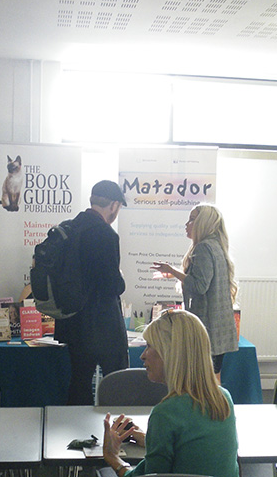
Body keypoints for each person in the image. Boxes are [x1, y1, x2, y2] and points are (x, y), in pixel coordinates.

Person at [103, 309, 239, 477]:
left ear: (169, 353)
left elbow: (152, 475)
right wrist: (150, 440)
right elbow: (197, 454)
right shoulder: (224, 399)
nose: (143, 356)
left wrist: (114, 458)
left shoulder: (165, 414)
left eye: (150, 346)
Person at [54, 180, 130, 405]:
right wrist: (121, 280)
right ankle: (116, 429)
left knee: (79, 382)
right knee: (117, 382)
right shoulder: (106, 235)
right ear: (114, 205)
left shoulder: (69, 227)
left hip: (73, 322)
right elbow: (111, 285)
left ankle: (78, 435)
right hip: (104, 326)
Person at [151, 204, 238, 375]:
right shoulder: (216, 245)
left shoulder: (204, 248)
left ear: (203, 223)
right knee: (213, 378)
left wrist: (173, 271)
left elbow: (199, 286)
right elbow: (206, 280)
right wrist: (177, 275)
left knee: (204, 379)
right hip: (219, 328)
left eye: (192, 220)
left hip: (207, 327)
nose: (186, 224)